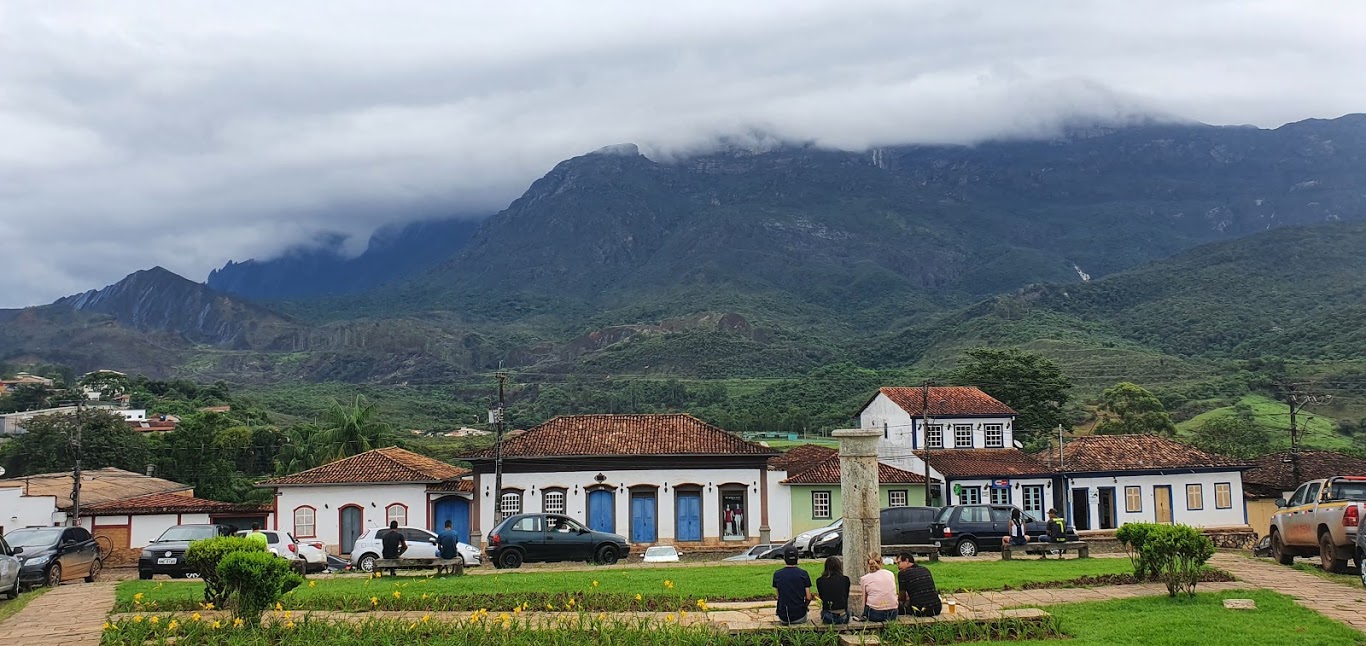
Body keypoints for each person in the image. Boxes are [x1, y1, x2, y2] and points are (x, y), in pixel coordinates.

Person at [771, 545, 813, 625]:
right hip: (800, 616)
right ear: (797, 558)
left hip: (783, 617)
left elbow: (778, 596)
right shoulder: (803, 574)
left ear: (784, 558)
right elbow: (808, 597)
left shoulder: (777, 574)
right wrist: (805, 606)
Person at [859, 557, 898, 623]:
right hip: (893, 613)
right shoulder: (890, 574)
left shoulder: (864, 579)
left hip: (875, 614)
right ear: (881, 562)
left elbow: (864, 600)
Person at [815, 556, 850, 625]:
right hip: (843, 615)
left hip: (828, 615)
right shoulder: (845, 579)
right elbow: (846, 595)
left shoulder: (820, 581)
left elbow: (822, 596)